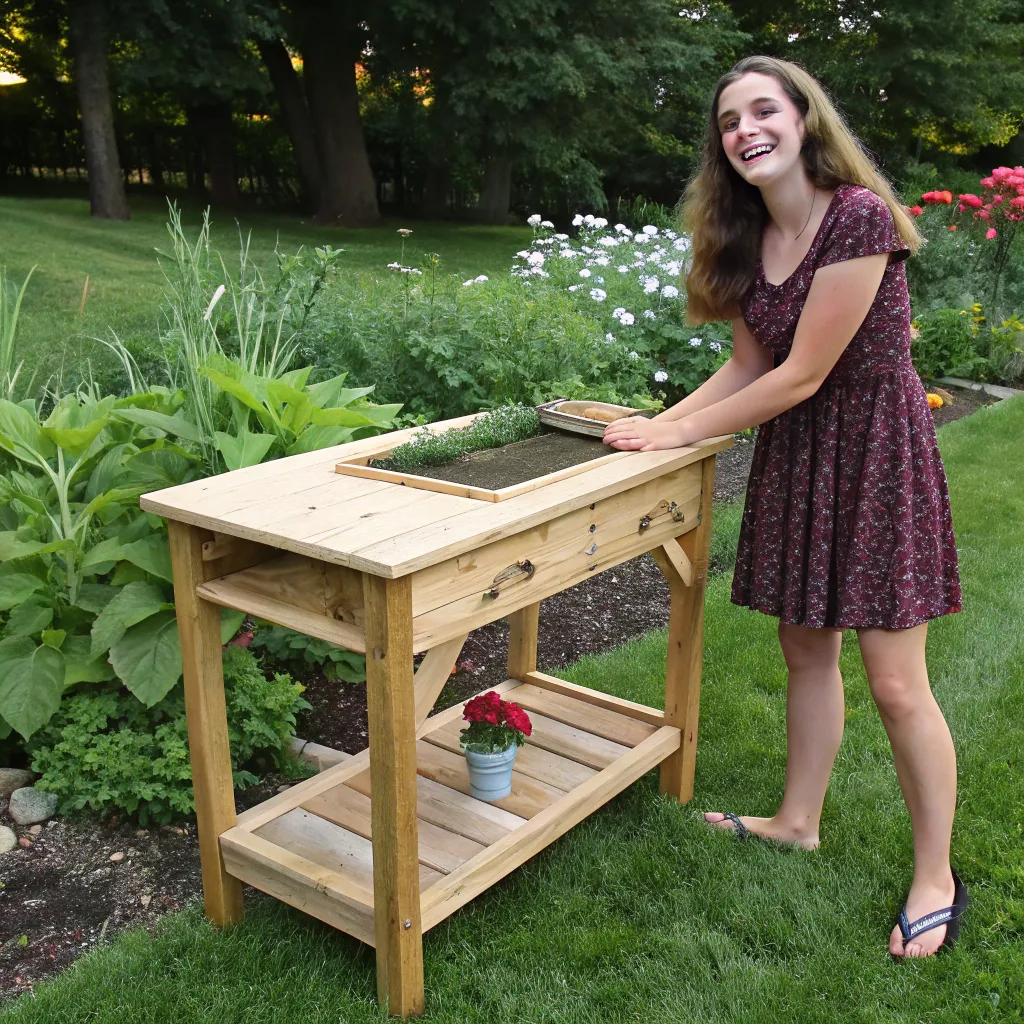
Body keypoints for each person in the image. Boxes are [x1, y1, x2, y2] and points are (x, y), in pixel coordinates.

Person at [603, 55, 967, 958]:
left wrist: (681, 437)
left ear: (804, 120)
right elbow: (749, 366)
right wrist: (658, 423)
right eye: (729, 121)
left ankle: (936, 876)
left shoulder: (858, 217)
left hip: (875, 455)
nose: (746, 130)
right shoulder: (745, 236)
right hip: (802, 456)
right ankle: (798, 821)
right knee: (805, 648)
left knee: (895, 681)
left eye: (763, 110)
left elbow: (803, 374)